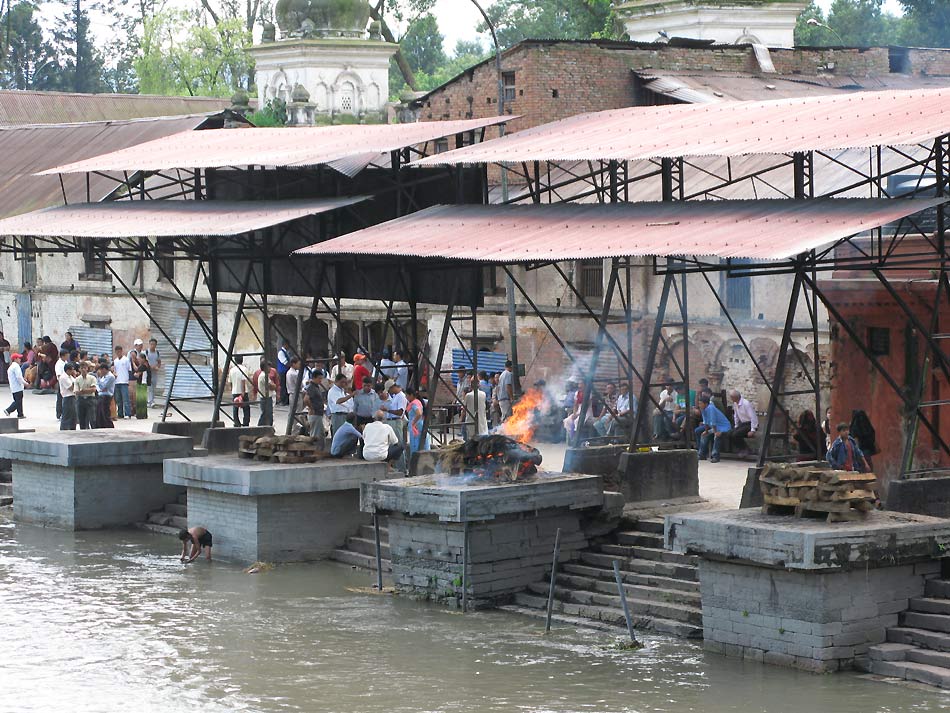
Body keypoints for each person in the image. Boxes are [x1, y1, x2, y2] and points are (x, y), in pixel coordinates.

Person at [697, 395, 731, 463]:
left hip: (724, 427)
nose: (699, 405)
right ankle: (701, 454)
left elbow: (713, 422)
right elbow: (705, 422)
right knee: (703, 435)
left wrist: (715, 433)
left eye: (700, 403)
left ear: (706, 404)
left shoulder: (711, 408)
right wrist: (706, 431)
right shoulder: (703, 409)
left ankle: (715, 456)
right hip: (715, 428)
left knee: (717, 437)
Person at [304, 369, 327, 443]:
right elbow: (306, 399)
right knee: (315, 435)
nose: (320, 380)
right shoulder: (311, 387)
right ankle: (314, 451)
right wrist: (311, 408)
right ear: (314, 378)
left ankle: (320, 450)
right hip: (315, 414)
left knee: (321, 435)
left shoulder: (316, 387)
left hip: (319, 413)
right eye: (319, 378)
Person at [73, 361, 98, 429]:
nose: (83, 369)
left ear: (87, 368)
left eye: (85, 368)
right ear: (79, 369)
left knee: (92, 418)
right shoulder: (77, 379)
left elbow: (93, 389)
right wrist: (87, 390)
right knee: (82, 419)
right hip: (81, 400)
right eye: (82, 368)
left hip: (90, 399)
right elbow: (76, 392)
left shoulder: (92, 378)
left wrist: (83, 390)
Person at [229, 356, 250, 427]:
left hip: (235, 391)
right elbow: (243, 381)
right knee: (246, 408)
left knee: (235, 408)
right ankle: (246, 423)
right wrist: (243, 392)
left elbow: (230, 382)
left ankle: (236, 423)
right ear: (242, 360)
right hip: (243, 391)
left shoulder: (231, 370)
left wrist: (232, 389)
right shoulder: (245, 369)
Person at [112, 346, 132, 419]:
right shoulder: (115, 361)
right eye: (117, 352)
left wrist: (128, 380)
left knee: (125, 399)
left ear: (121, 351)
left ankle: (128, 413)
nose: (118, 353)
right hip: (117, 382)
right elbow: (114, 370)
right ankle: (120, 413)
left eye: (119, 351)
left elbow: (129, 370)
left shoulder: (126, 360)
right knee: (118, 399)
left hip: (124, 381)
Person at [406, 386, 427, 454]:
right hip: (419, 424)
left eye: (407, 395)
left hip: (415, 426)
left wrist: (413, 423)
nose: (406, 397)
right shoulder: (418, 402)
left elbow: (419, 413)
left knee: (415, 445)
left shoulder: (414, 403)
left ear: (411, 395)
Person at [95, 362, 116, 428]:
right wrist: (100, 388)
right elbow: (98, 386)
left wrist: (98, 378)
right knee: (99, 413)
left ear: (104, 369)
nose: (100, 372)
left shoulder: (110, 376)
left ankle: (109, 426)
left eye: (101, 370)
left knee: (105, 413)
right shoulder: (103, 377)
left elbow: (103, 386)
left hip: (106, 396)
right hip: (101, 395)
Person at [4, 353, 25, 418]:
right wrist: (24, 383)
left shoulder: (11, 367)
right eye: (19, 358)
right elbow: (19, 377)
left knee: (18, 400)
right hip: (17, 386)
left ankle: (20, 414)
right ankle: (8, 410)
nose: (20, 359)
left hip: (13, 387)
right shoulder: (16, 366)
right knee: (18, 401)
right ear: (15, 359)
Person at [59, 361, 78, 431]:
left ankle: (72, 428)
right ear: (68, 370)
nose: (73, 371)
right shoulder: (64, 377)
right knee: (67, 415)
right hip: (67, 397)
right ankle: (64, 429)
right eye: (72, 370)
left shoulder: (70, 377)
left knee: (73, 415)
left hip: (73, 397)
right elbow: (71, 387)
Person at [257, 359, 275, 427]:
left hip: (266, 397)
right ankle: (262, 428)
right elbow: (272, 386)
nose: (270, 368)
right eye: (269, 366)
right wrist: (273, 385)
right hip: (265, 398)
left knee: (266, 414)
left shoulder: (265, 375)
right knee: (266, 414)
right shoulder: (264, 376)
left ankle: (264, 427)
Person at [145, 338, 162, 407]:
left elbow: (159, 361)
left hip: (155, 373)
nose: (152, 346)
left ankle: (151, 400)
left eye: (154, 344)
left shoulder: (157, 353)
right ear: (149, 344)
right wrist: (151, 367)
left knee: (153, 387)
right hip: (148, 372)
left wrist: (158, 366)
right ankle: (150, 401)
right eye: (151, 344)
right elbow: (145, 362)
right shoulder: (146, 352)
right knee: (149, 387)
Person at [276, 340, 292, 405]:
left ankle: (286, 400)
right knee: (283, 386)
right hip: (283, 371)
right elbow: (285, 362)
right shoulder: (281, 353)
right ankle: (283, 400)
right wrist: (292, 366)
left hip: (286, 371)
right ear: (285, 345)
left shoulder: (286, 352)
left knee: (287, 386)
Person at [54, 348, 69, 419]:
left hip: (67, 381)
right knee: (60, 398)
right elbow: (59, 375)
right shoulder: (59, 364)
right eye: (66, 355)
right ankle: (59, 413)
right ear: (62, 356)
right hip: (62, 383)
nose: (68, 357)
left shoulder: (65, 362)